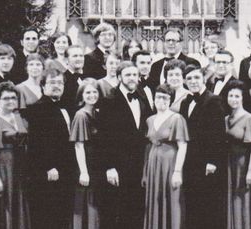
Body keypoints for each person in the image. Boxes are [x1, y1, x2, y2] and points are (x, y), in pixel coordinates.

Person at [97, 61, 152, 229]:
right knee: (114, 209)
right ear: (119, 77)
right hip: (118, 165)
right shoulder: (109, 101)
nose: (132, 78)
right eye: (127, 75)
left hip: (139, 164)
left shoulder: (142, 98)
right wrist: (109, 167)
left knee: (136, 208)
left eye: (134, 75)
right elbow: (103, 138)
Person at [22, 69, 76, 228]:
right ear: (43, 86)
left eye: (60, 83)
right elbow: (37, 143)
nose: (57, 86)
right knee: (47, 215)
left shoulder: (66, 107)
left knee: (62, 214)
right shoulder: (37, 109)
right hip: (48, 172)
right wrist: (48, 167)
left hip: (65, 169)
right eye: (52, 82)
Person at [178, 65, 227, 229]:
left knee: (208, 204)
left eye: (196, 77)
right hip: (190, 161)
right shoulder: (186, 102)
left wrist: (212, 161)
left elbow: (218, 134)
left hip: (207, 162)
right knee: (192, 202)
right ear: (185, 81)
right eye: (189, 78)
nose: (193, 81)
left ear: (204, 79)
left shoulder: (213, 100)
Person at [0, 81, 30, 228]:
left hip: (18, 167)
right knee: (4, 204)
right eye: (6, 98)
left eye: (13, 98)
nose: (10, 101)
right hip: (2, 167)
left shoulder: (17, 116)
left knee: (18, 202)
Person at [142, 84, 189, 229]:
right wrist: (144, 173)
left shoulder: (177, 118)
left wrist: (177, 172)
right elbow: (148, 146)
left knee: (172, 199)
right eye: (158, 97)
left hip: (170, 162)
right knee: (154, 200)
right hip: (152, 162)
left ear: (170, 100)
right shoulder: (150, 120)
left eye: (165, 98)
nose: (161, 100)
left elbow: (182, 146)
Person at [223, 80, 251, 229]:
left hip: (244, 165)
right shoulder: (225, 119)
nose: (233, 99)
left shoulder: (250, 119)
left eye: (237, 96)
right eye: (231, 96)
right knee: (231, 199)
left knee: (244, 201)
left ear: (243, 98)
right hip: (229, 165)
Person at [70, 79, 103, 229]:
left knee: (94, 205)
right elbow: (79, 145)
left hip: (95, 165)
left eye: (95, 92)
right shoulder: (81, 115)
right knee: (84, 206)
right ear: (81, 95)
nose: (92, 95)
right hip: (85, 166)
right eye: (88, 92)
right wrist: (83, 172)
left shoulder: (97, 112)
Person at [61, 45, 87, 116]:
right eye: (75, 56)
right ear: (66, 60)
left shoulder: (87, 78)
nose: (79, 59)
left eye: (81, 56)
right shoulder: (62, 80)